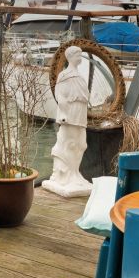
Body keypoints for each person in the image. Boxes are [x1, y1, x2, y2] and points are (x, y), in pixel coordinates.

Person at [44, 46, 93, 197]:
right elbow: (61, 96)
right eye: (78, 55)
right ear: (70, 56)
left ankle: (75, 173)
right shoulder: (64, 75)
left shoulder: (79, 75)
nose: (80, 57)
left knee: (81, 144)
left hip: (80, 112)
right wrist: (63, 114)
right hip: (70, 113)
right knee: (69, 143)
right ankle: (66, 175)